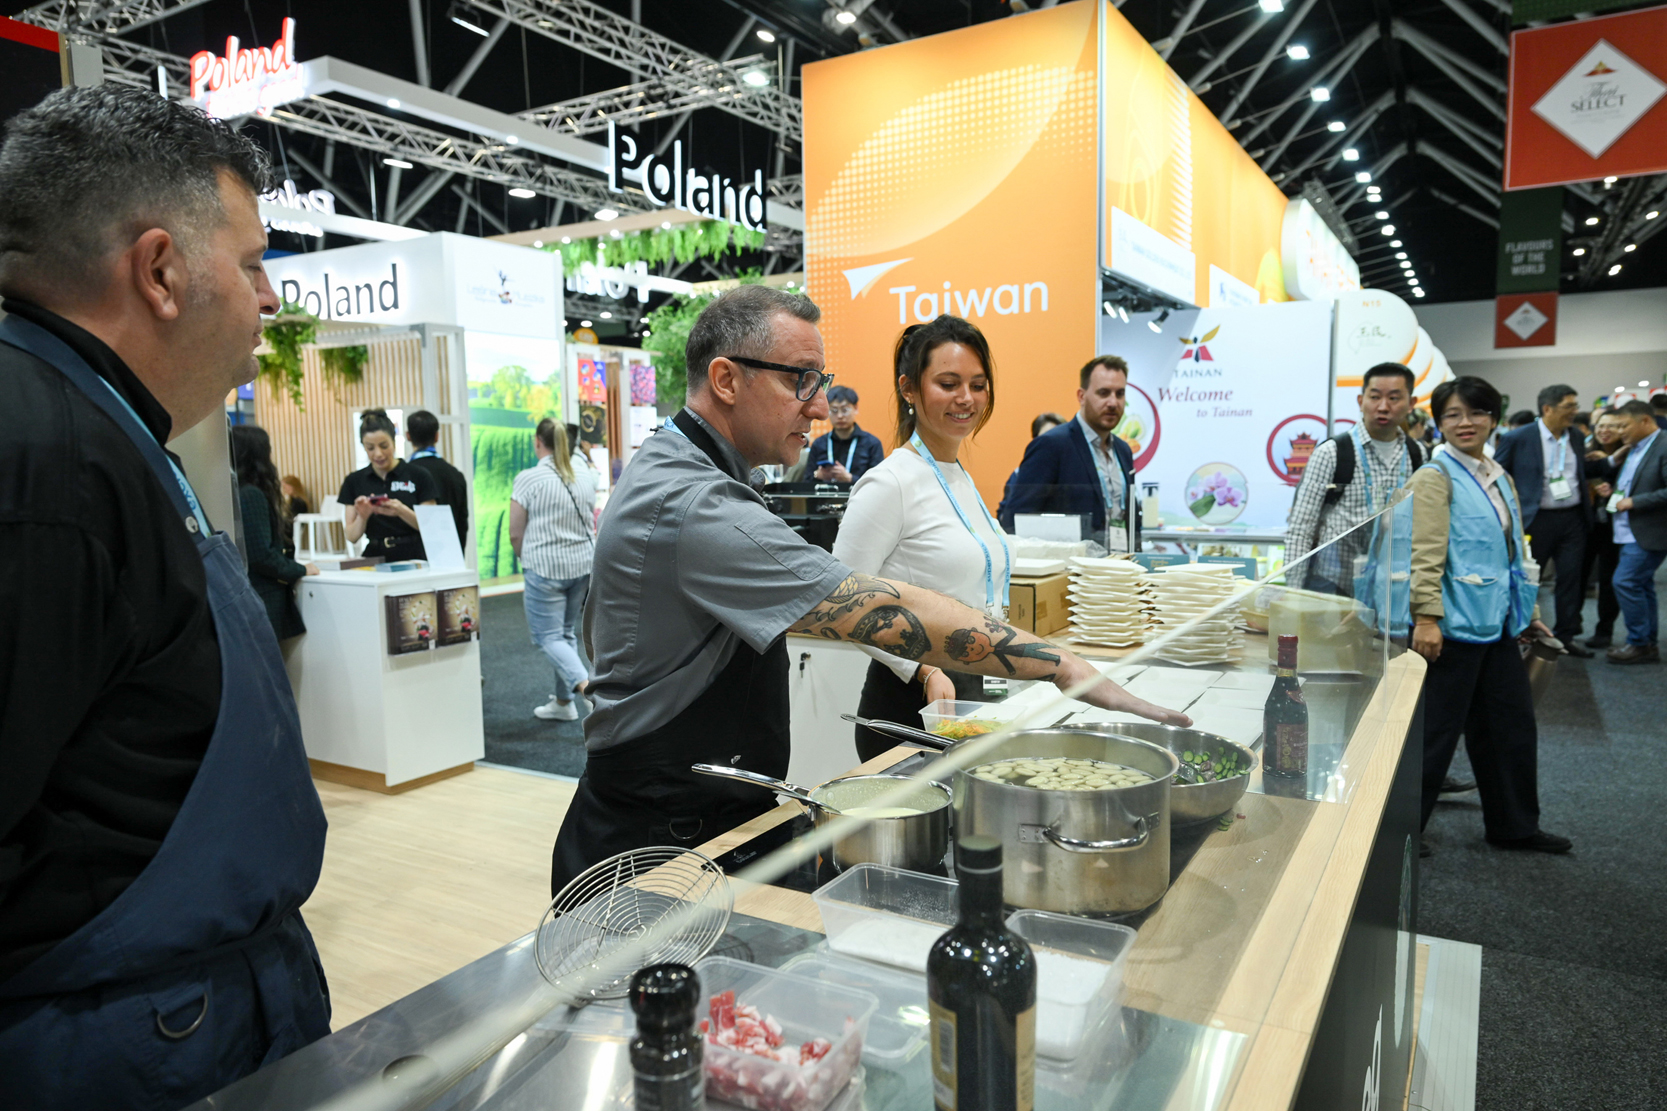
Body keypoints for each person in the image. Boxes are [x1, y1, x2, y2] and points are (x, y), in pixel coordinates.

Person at [549, 286, 1191, 892]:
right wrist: (1063, 666)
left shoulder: (690, 469)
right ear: (726, 379)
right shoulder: (694, 501)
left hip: (707, 806)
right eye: (801, 380)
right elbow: (876, 606)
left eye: (820, 383)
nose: (819, 407)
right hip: (660, 835)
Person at [0, 85, 330, 1106]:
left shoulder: (96, 426)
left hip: (181, 1007)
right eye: (253, 261)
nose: (268, 298)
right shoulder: (47, 463)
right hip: (123, 1042)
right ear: (159, 271)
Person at [836, 316, 1012, 761]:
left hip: (972, 692)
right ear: (909, 389)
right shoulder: (889, 483)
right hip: (911, 703)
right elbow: (841, 603)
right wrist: (922, 670)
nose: (966, 398)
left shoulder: (958, 476)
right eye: (948, 384)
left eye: (977, 385)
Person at [1409, 376, 1568, 857]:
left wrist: (1528, 612)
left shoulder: (1498, 475)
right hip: (1451, 628)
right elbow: (1425, 554)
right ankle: (1400, 832)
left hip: (1497, 624)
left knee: (1509, 727)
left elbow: (1514, 552)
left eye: (1476, 412)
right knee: (1433, 734)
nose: (1466, 422)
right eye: (1453, 414)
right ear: (1438, 422)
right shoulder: (1435, 477)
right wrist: (1426, 617)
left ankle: (1514, 825)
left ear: (1493, 418)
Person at [1284, 363, 1424, 595]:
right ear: (1361, 401)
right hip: (1333, 584)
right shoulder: (1332, 452)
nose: (1383, 407)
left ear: (1411, 403)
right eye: (1375, 397)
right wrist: (1294, 592)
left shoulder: (1417, 454)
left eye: (1394, 398)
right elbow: (1301, 528)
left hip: (1392, 586)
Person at [1493, 383, 1608, 657]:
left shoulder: (1576, 436)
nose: (1575, 411)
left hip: (1573, 519)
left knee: (1571, 579)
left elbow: (1578, 471)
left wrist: (1607, 462)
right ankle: (1520, 633)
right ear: (1547, 408)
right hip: (1535, 519)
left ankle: (1565, 636)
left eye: (1575, 406)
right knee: (1528, 579)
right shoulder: (1518, 438)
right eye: (1569, 406)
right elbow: (1497, 476)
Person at [999, 356, 1141, 552]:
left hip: (1120, 564)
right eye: (1103, 393)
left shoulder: (1123, 450)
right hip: (1071, 568)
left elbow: (1129, 518)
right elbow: (1017, 521)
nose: (1113, 402)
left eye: (1120, 394)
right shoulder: (1051, 445)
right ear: (1081, 396)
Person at [511, 418, 597, 720]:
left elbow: (515, 533)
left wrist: (526, 559)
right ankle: (563, 703)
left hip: (544, 568)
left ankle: (588, 691)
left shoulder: (529, 479)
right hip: (581, 565)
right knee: (564, 634)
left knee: (548, 637)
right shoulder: (584, 474)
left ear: (538, 441)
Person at [233, 424, 319, 640]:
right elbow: (261, 554)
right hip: (263, 595)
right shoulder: (251, 494)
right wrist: (299, 569)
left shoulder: (233, 491)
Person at [1604, 399, 1667, 664]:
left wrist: (1634, 502)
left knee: (1625, 581)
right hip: (1629, 529)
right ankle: (1647, 643)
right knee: (1641, 584)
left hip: (1649, 530)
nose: (1619, 432)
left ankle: (1639, 643)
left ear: (1645, 420)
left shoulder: (1663, 444)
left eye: (1623, 426)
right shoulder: (1635, 447)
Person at [338, 407, 438, 561]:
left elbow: (431, 527)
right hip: (375, 556)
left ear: (394, 441)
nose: (378, 454)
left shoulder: (418, 475)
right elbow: (351, 536)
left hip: (414, 556)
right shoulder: (354, 480)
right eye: (370, 448)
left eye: (384, 446)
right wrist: (363, 516)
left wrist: (401, 511)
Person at [1579, 408, 1629, 649]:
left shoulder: (1630, 456)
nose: (1604, 431)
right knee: (1577, 575)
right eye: (1600, 426)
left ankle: (1604, 630)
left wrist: (1609, 469)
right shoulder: (1585, 454)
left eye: (1611, 426)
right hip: (1586, 523)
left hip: (1614, 525)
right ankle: (1571, 623)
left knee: (1609, 579)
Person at [405, 408, 470, 549]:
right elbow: (462, 524)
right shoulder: (455, 475)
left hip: (415, 555)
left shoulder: (404, 475)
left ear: (408, 436)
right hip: (449, 552)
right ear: (437, 436)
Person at [806, 384, 884, 484]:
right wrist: (817, 475)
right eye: (834, 411)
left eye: (845, 410)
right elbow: (806, 481)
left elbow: (878, 482)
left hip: (858, 494)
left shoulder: (872, 444)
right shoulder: (819, 443)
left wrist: (850, 478)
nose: (840, 416)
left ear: (856, 408)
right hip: (825, 494)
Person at [995, 412, 1064, 522]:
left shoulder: (1072, 471)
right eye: (1045, 438)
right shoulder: (1018, 474)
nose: (1050, 444)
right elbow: (1004, 514)